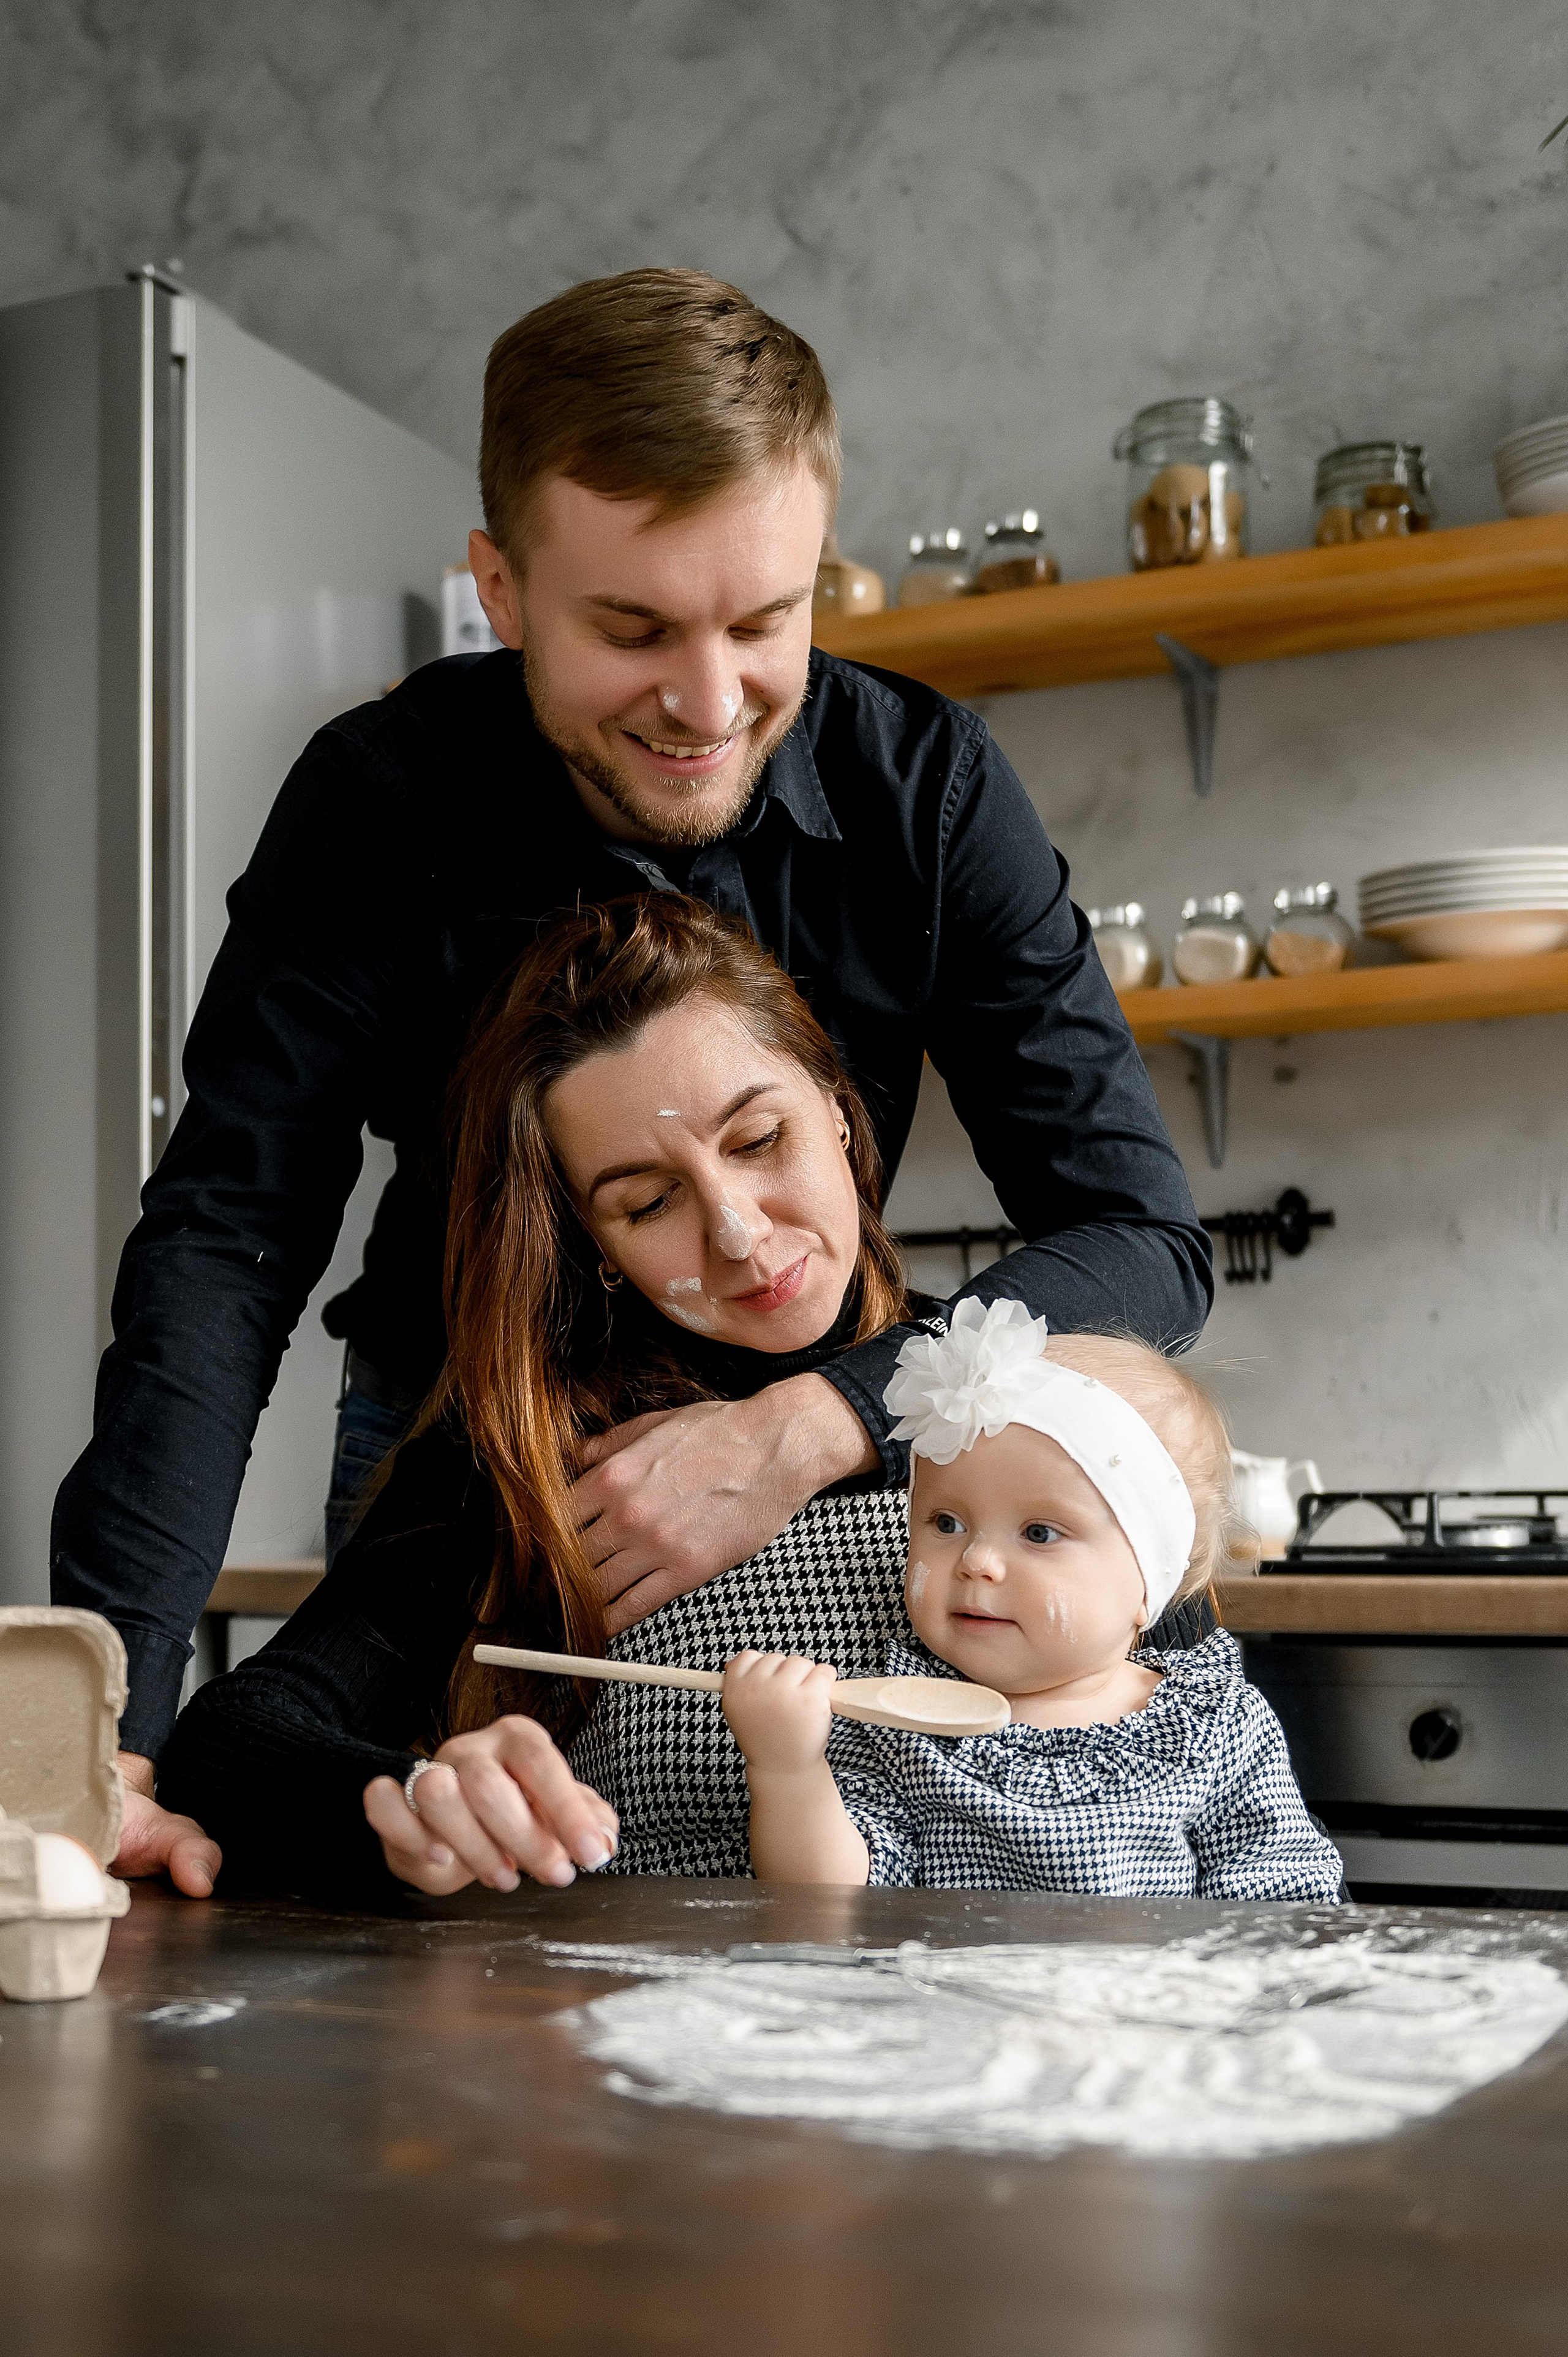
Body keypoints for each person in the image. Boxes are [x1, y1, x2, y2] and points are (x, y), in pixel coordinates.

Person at [57, 266, 1212, 1895]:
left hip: (869, 1397)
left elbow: (1142, 1237)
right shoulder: (382, 808)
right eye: (633, 628)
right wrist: (100, 1721)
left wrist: (814, 1420)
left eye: (764, 621)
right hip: (493, 1429)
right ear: (504, 589)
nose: (710, 699)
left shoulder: (932, 797)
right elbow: (223, 1244)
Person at [158, 899, 1212, 1899]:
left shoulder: (1021, 1390)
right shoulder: (533, 1450)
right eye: (649, 1201)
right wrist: (422, 1804)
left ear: (842, 1116)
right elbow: (231, 1742)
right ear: (597, 1245)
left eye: (761, 1141)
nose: (740, 1234)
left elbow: (1204, 1721)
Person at [719, 1301, 1343, 1901]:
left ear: (1147, 1581)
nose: (976, 1561)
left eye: (1039, 1533)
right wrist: (787, 1767)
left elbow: (1282, 1896)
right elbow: (832, 1909)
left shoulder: (1214, 1724)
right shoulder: (895, 1719)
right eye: (945, 1522)